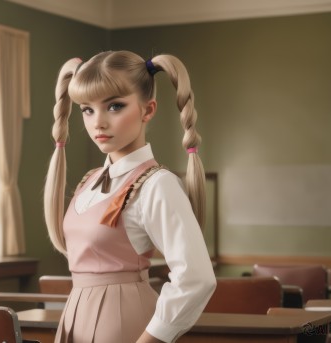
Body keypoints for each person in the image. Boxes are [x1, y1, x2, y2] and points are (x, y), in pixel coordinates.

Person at [43, 50, 216, 343]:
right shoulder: (89, 182)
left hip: (127, 328)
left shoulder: (158, 185)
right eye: (87, 109)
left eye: (114, 107)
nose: (98, 122)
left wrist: (152, 338)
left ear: (148, 110)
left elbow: (196, 278)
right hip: (74, 320)